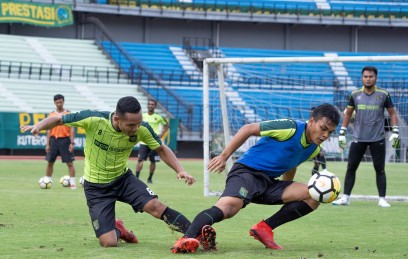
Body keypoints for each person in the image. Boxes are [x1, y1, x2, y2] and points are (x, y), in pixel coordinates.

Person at [21, 96, 197, 248]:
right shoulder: (93, 119)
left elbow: (161, 148)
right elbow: (59, 119)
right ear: (117, 119)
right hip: (96, 188)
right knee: (109, 243)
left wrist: (180, 170)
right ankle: (118, 230)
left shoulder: (141, 128)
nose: (136, 128)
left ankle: (194, 235)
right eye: (131, 124)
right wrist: (38, 126)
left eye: (138, 123)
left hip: (123, 180)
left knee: (155, 207)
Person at [171, 103, 340, 253]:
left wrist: (287, 188)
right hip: (247, 173)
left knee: (313, 195)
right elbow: (248, 129)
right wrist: (224, 156)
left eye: (330, 132)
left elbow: (291, 163)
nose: (325, 135)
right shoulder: (291, 127)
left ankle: (264, 228)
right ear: (311, 121)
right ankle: (186, 239)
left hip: (269, 183)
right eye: (323, 128)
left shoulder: (314, 149)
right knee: (230, 207)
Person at [332, 66, 399, 208]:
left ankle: (382, 199)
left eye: (371, 76)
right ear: (362, 78)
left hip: (378, 138)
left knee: (379, 168)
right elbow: (348, 113)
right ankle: (346, 197)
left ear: (376, 78)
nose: (368, 79)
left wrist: (395, 131)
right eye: (365, 76)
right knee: (351, 168)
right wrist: (343, 132)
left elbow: (392, 113)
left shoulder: (383, 94)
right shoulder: (355, 94)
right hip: (358, 137)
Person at [43, 94, 76, 189]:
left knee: (69, 162)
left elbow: (72, 129)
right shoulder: (51, 114)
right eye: (57, 102)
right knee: (50, 162)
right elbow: (49, 129)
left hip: (65, 140)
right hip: (54, 140)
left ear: (63, 102)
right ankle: (47, 180)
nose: (59, 104)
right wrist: (47, 143)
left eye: (60, 102)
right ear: (54, 103)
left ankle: (72, 183)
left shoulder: (68, 114)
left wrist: (72, 142)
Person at [136, 99, 170, 183]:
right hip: (143, 142)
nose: (150, 106)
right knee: (140, 160)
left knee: (153, 161)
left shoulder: (158, 116)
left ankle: (150, 178)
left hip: (154, 141)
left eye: (152, 104)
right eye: (149, 104)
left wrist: (162, 134)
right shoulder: (142, 115)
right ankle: (136, 178)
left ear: (155, 106)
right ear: (147, 105)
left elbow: (167, 125)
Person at [310, 107, 327, 175]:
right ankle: (314, 178)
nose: (311, 113)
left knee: (321, 156)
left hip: (319, 145)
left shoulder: (320, 123)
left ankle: (325, 171)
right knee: (316, 164)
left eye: (313, 112)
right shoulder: (309, 122)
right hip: (312, 145)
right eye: (310, 112)